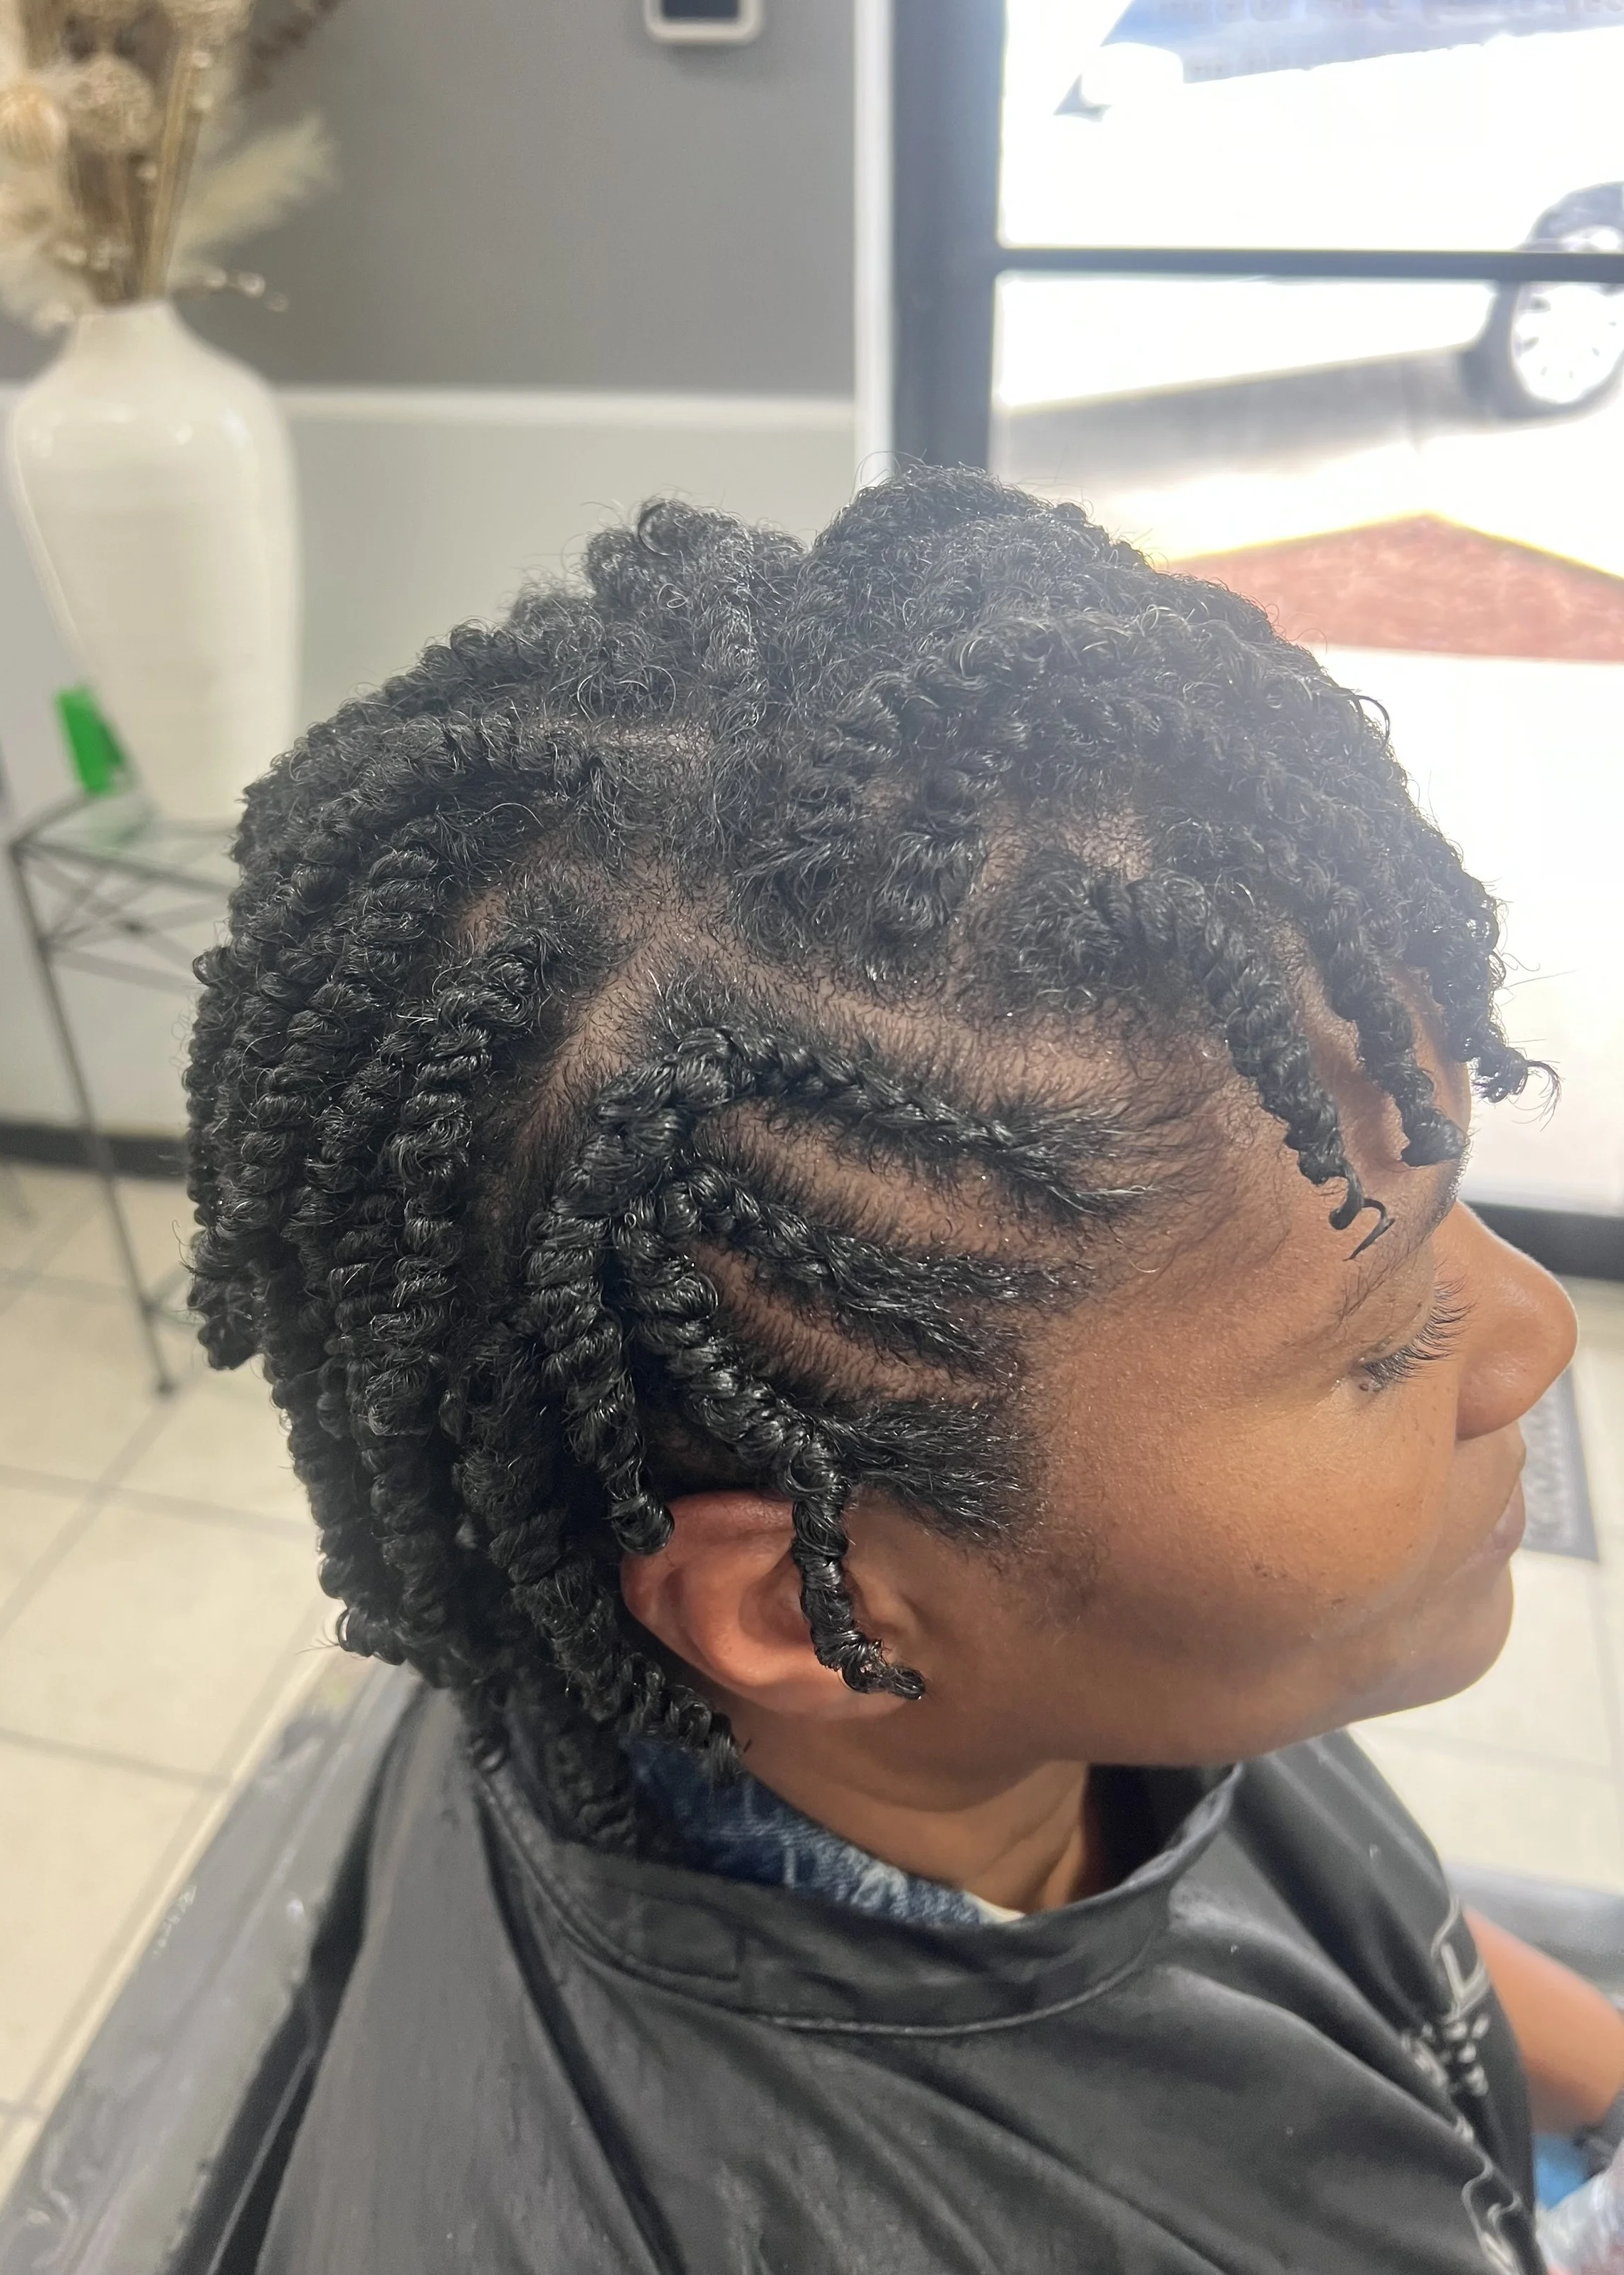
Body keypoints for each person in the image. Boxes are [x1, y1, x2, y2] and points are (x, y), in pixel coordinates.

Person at [186, 466, 1614, 2273]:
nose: (1532, 1341)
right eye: (1385, 1340)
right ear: (812, 1604)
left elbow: (1337, 1919)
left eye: (1445, 1216)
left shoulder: (1084, 1665)